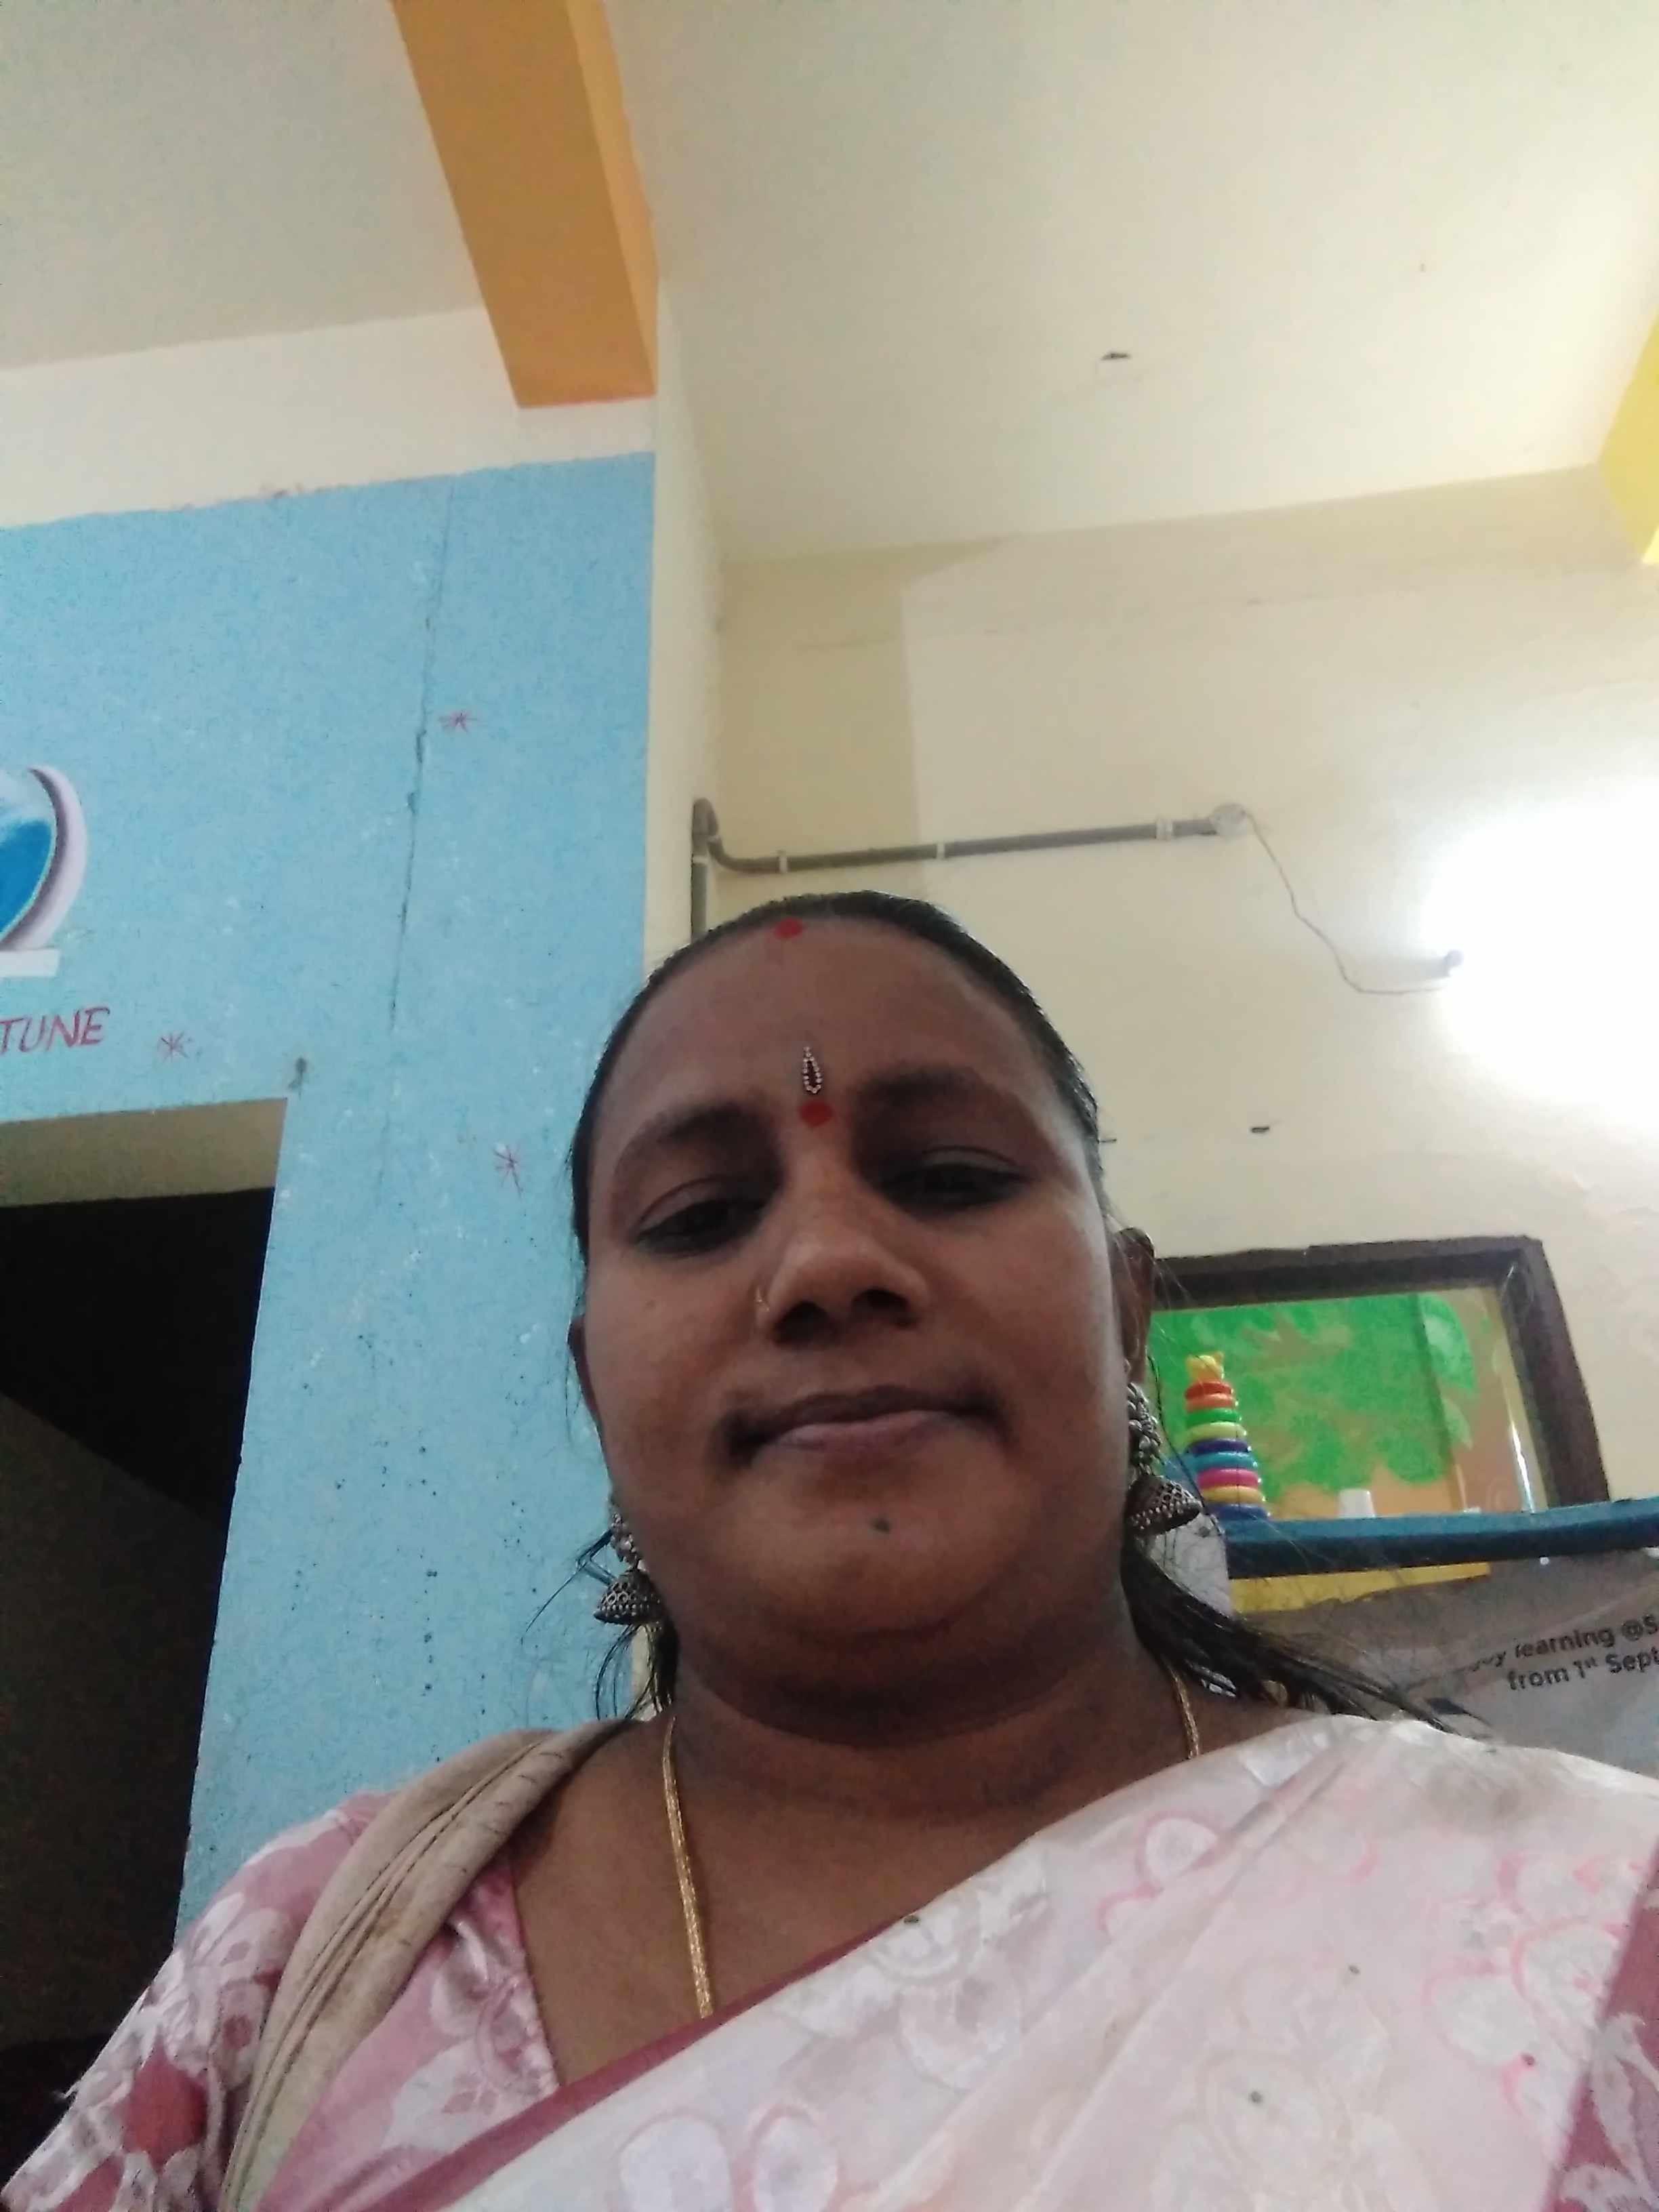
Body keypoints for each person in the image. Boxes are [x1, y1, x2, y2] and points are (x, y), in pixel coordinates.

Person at [9, 891, 1659, 2212]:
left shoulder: (1584, 1917)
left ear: (1125, 1310)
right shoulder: (316, 1952)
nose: (827, 1263)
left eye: (948, 1175)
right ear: (597, 1384)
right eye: (700, 1216)